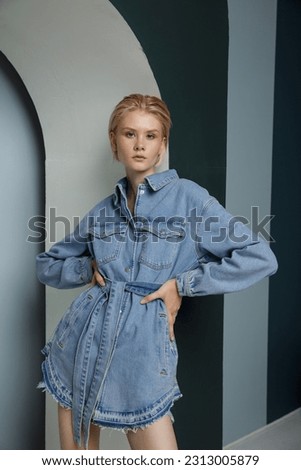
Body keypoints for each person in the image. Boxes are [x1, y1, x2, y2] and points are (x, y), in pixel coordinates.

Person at [36, 94, 277, 450]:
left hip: (143, 353)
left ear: (163, 145)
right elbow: (47, 265)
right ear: (113, 142)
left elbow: (259, 257)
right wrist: (85, 268)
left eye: (151, 136)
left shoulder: (188, 199)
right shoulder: (103, 212)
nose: (139, 145)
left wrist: (184, 284)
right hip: (81, 345)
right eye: (129, 134)